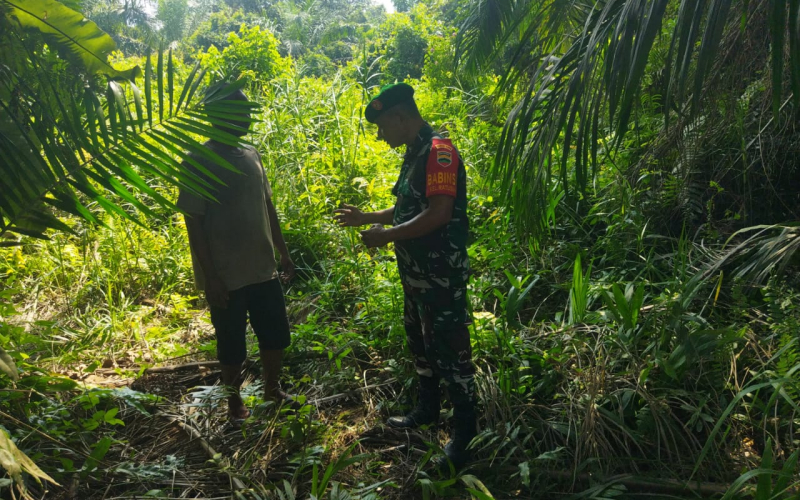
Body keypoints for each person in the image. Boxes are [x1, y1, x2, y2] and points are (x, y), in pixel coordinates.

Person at [334, 83, 477, 471]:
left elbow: (439, 213)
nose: (381, 136)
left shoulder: (439, 152)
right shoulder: (415, 153)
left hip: (440, 277)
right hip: (415, 277)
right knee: (421, 345)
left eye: (382, 127)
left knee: (451, 353)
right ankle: (427, 411)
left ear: (400, 117)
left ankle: (465, 437)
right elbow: (405, 207)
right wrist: (366, 218)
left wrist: (387, 236)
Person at [177, 85, 296, 422]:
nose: (247, 117)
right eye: (241, 111)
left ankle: (272, 390)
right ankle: (234, 404)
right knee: (231, 343)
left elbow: (267, 207)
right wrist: (211, 277)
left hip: (262, 268)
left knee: (275, 335)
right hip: (226, 276)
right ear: (220, 115)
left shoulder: (251, 154)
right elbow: (193, 222)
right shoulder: (197, 160)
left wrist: (283, 252)